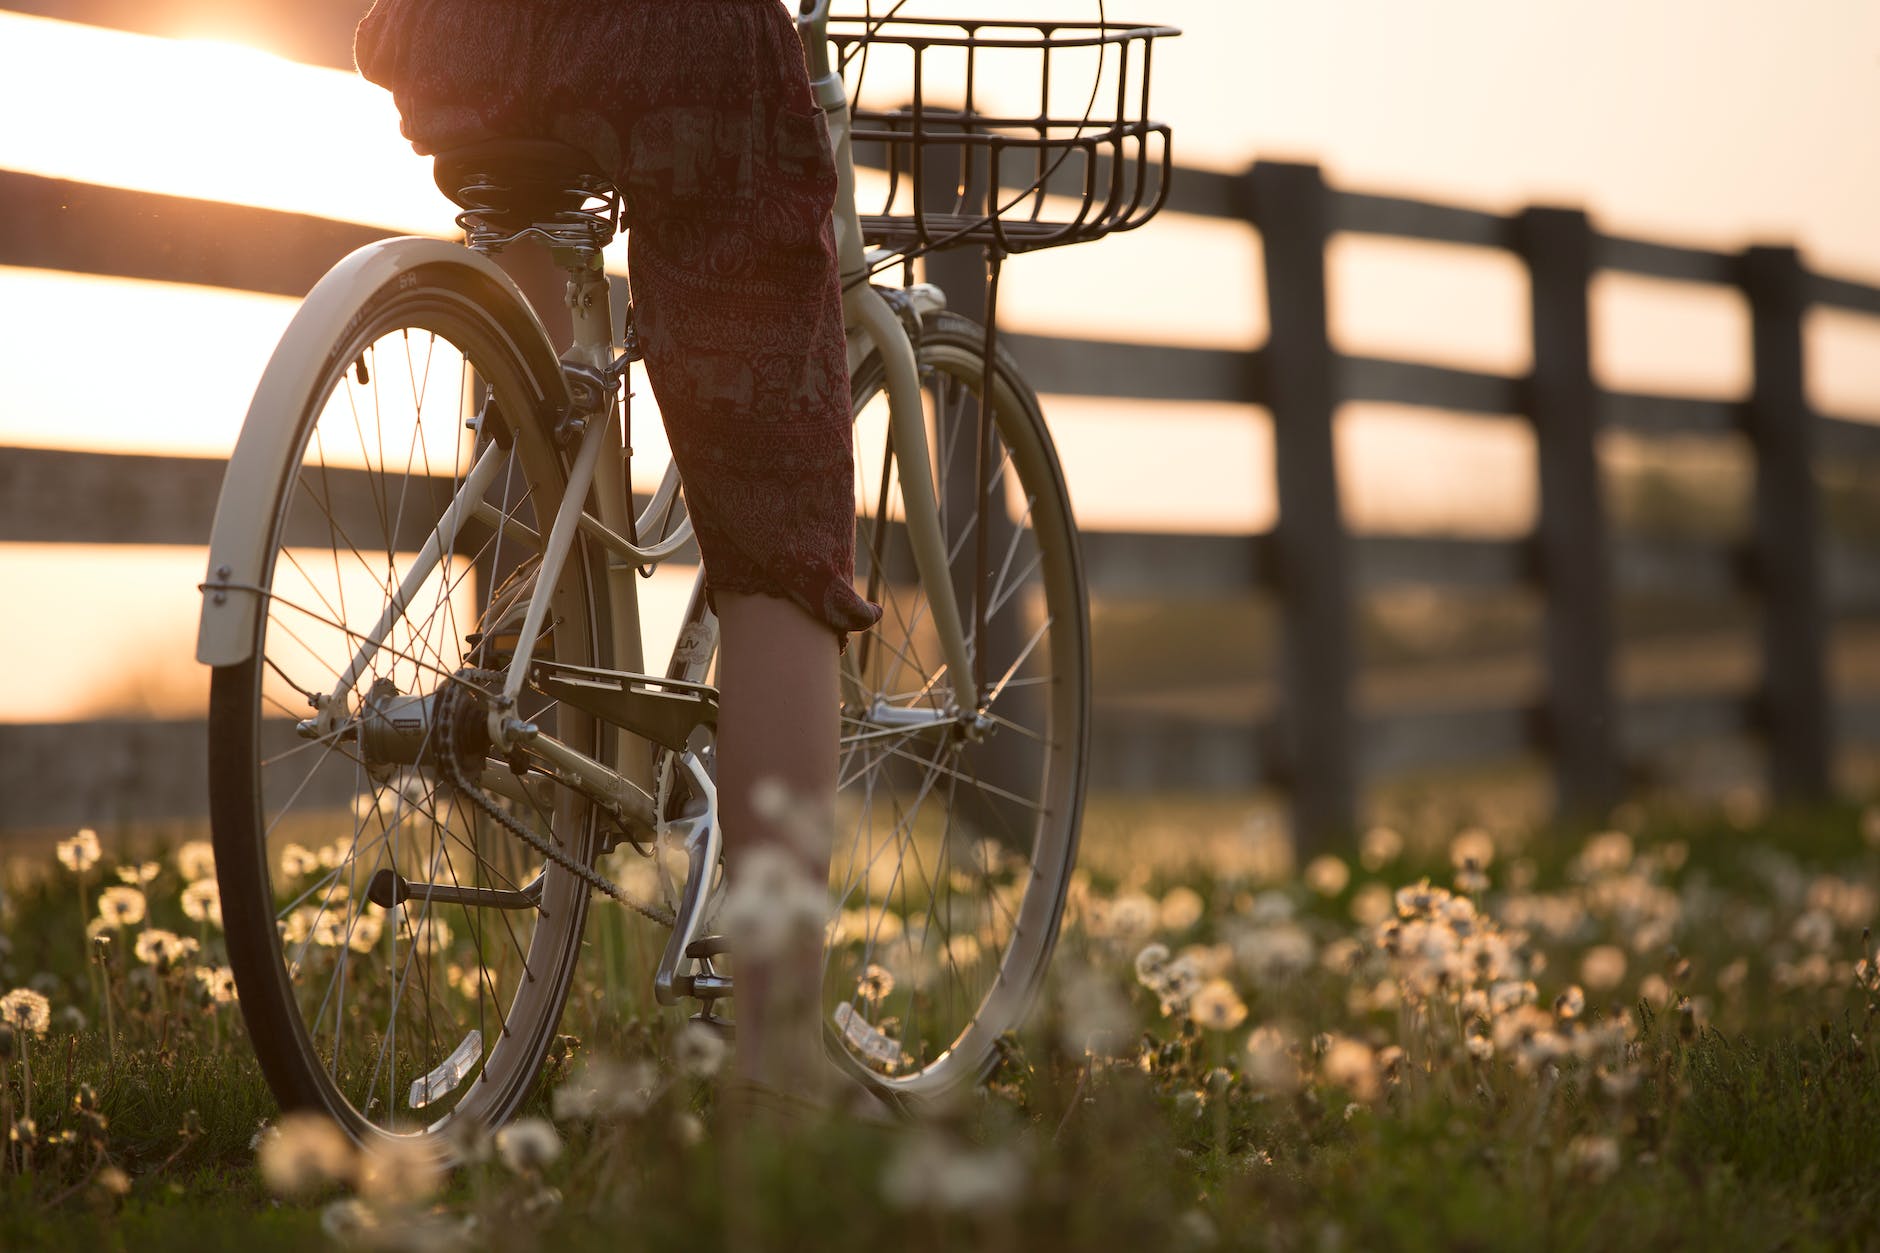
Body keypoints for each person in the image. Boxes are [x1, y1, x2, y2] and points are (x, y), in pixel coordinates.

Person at [353, 0, 882, 1109]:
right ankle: (777, 1059)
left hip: (459, 36)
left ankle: (534, 637)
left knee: (537, 344)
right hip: (671, 44)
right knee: (777, 535)